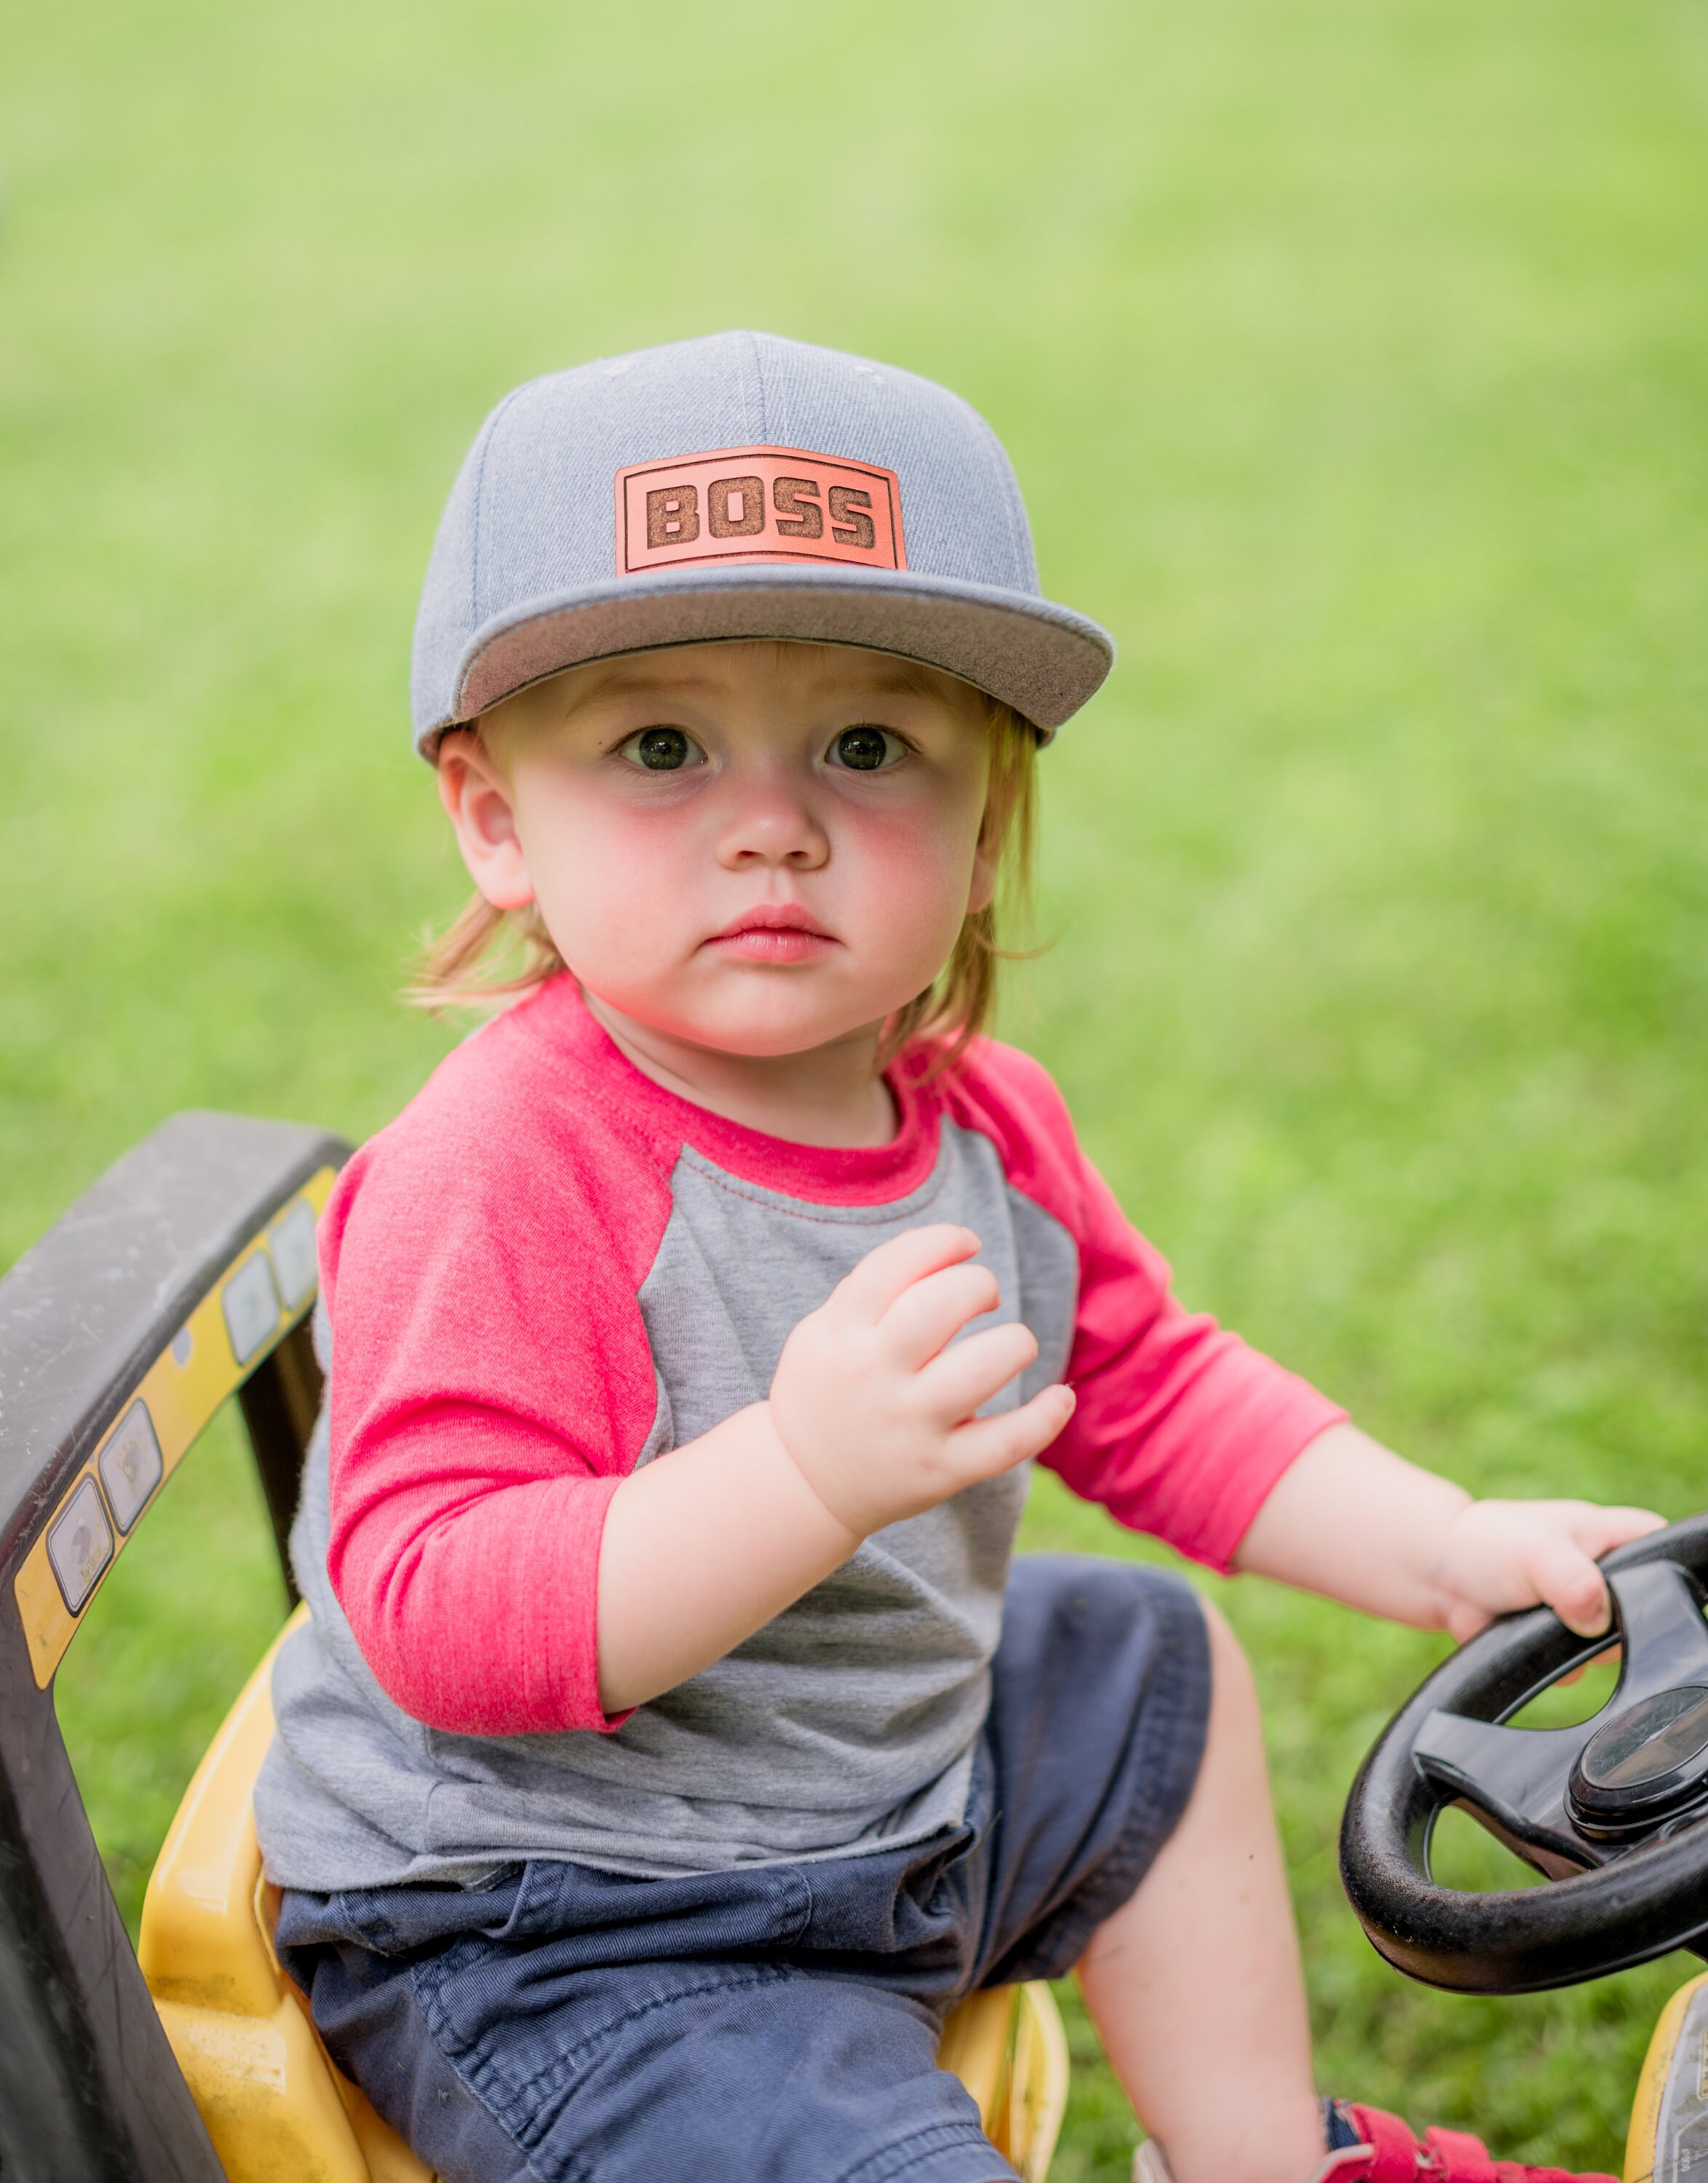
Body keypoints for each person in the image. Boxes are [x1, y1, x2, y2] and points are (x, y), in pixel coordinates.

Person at [255, 331, 1662, 2183]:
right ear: (498, 818)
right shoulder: (508, 1162)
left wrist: (1444, 1538)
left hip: (881, 1801)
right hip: (568, 1923)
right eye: (660, 747)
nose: (775, 819)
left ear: (984, 822)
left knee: (1146, 1665)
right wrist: (801, 1473)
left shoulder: (977, 1120)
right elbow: (439, 1611)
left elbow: (1150, 1387)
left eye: (869, 744)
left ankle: (1258, 2157)